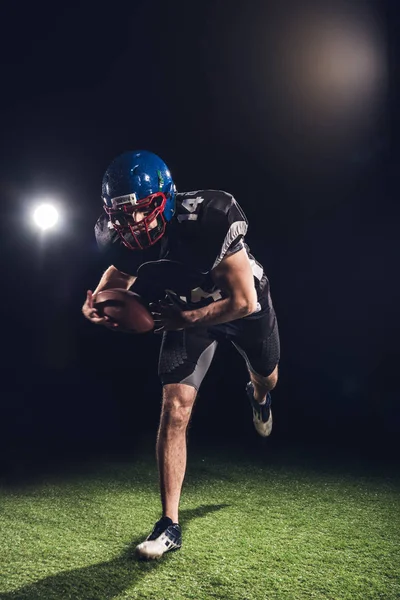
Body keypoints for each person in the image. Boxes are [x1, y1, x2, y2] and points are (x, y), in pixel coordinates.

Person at [82, 150, 280, 560]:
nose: (132, 223)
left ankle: (258, 397)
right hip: (184, 313)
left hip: (239, 306)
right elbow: (116, 276)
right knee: (175, 406)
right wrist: (97, 303)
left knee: (267, 376)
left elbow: (242, 301)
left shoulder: (211, 215)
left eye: (141, 211)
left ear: (166, 200)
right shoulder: (118, 234)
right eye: (123, 215)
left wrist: (185, 316)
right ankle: (169, 523)